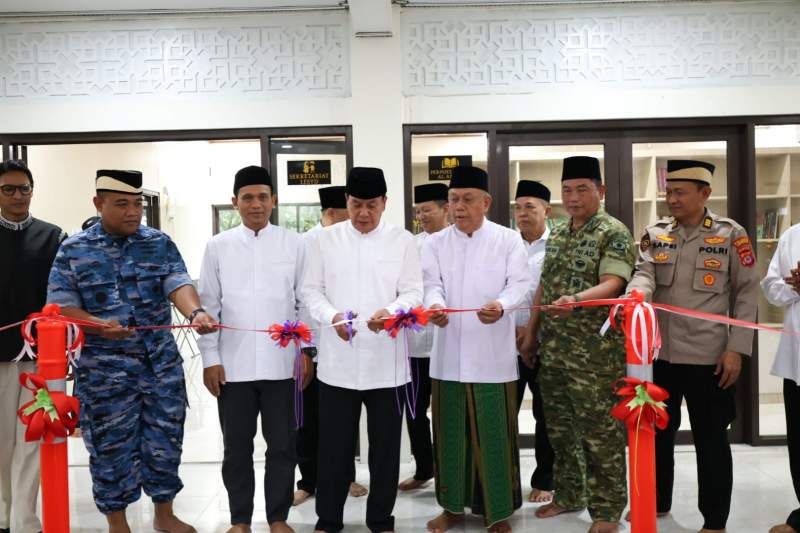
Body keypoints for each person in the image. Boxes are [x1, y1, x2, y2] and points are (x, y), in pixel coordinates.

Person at [47, 169, 217, 533]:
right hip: (105, 373)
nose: (132, 212)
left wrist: (196, 311)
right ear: (99, 203)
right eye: (121, 204)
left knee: (165, 442)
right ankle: (117, 523)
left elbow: (177, 281)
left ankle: (165, 515)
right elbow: (60, 306)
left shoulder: (158, 242)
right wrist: (97, 324)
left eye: (137, 203)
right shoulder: (73, 249)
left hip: (160, 367)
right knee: (109, 450)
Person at [626, 160, 758, 533]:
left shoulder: (731, 235)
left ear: (705, 194)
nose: (672, 199)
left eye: (680, 192)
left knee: (711, 441)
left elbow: (747, 294)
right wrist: (636, 295)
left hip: (709, 358)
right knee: (657, 435)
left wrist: (737, 348)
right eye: (669, 191)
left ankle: (714, 521)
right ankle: (657, 503)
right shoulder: (656, 233)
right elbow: (644, 274)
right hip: (661, 356)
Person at [303, 167, 423, 533]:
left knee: (385, 450)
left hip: (387, 365)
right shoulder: (323, 240)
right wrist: (332, 316)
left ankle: (381, 518)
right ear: (346, 202)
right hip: (337, 366)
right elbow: (310, 291)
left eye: (371, 205)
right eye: (356, 205)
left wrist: (393, 312)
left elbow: (413, 292)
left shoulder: (403, 241)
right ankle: (329, 518)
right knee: (334, 448)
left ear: (385, 203)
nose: (364, 214)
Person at [521, 156, 634, 533]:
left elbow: (613, 283)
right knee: (560, 430)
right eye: (567, 190)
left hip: (596, 357)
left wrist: (577, 299)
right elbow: (544, 283)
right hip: (555, 351)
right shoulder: (559, 231)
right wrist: (532, 331)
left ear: (600, 191)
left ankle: (607, 510)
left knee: (600, 433)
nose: (573, 197)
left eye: (582, 189)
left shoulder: (612, 231)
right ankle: (569, 495)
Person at [199, 166, 310, 533]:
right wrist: (211, 360)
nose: (256, 204)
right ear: (235, 202)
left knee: (282, 447)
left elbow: (304, 302)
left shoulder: (295, 244)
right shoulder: (218, 246)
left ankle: (278, 517)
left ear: (274, 201)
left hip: (283, 367)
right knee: (236, 450)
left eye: (263, 196)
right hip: (233, 367)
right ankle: (240, 520)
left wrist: (307, 352)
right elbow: (209, 307)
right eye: (247, 197)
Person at [422, 166, 531, 533]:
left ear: (486, 202)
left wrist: (501, 305)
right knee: (451, 436)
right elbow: (430, 284)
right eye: (454, 199)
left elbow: (520, 285)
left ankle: (497, 512)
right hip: (448, 355)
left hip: (493, 357)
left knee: (494, 434)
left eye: (468, 199)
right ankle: (452, 508)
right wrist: (434, 306)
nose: (459, 207)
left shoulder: (507, 240)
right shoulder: (435, 242)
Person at [0, 159, 65, 533]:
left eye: (24, 188)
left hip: (42, 361)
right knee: (2, 440)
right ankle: (3, 513)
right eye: (9, 189)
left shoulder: (52, 236)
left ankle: (25, 519)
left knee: (31, 438)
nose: (18, 196)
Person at [294, 185, 368, 506]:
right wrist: (305, 350)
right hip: (313, 347)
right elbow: (301, 301)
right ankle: (308, 481)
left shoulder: (353, 243)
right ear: (329, 214)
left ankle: (345, 477)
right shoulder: (306, 244)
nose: (353, 219)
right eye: (345, 213)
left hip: (347, 347)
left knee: (343, 420)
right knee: (308, 419)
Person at [398, 182, 449, 492]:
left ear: (445, 209)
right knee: (415, 411)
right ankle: (424, 468)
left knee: (446, 414)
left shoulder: (457, 244)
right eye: (417, 212)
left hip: (448, 343)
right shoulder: (411, 246)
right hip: (415, 345)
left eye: (427, 210)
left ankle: (449, 473)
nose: (421, 216)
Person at [512, 179, 555, 504]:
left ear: (546, 211)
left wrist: (532, 335)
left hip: (545, 345)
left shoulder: (559, 245)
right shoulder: (507, 245)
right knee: (503, 414)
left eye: (530, 207)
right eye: (518, 207)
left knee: (546, 415)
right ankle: (506, 480)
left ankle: (545, 479)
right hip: (507, 344)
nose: (523, 213)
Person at [762, 223, 800, 533]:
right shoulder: (792, 235)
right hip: (796, 362)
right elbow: (771, 288)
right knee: (799, 444)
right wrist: (795, 287)